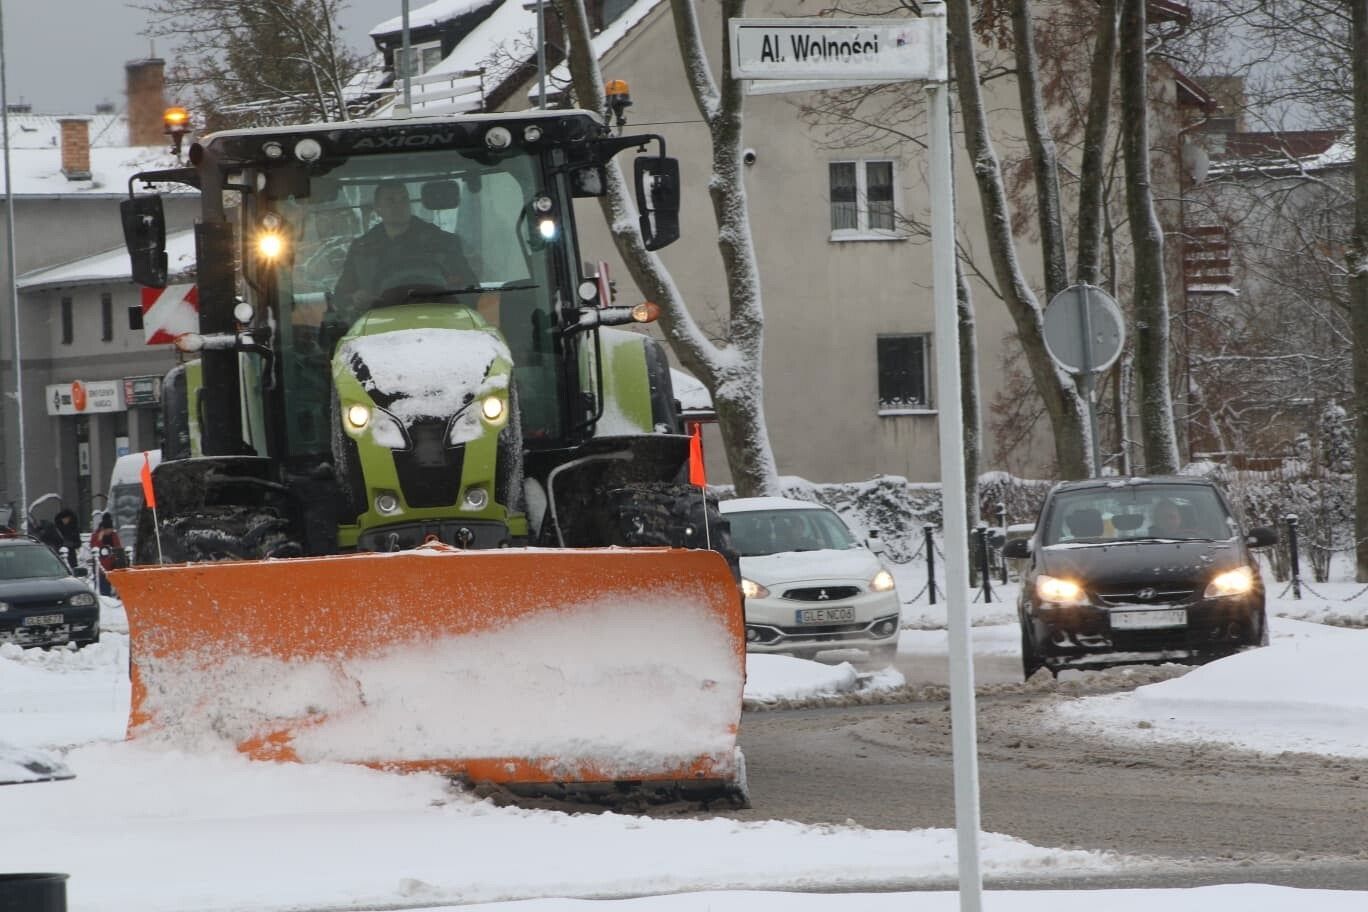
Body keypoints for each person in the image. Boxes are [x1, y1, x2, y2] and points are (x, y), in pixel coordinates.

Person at [331, 179, 474, 321]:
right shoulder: (362, 249)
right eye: (391, 200)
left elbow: (470, 288)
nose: (399, 205)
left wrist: (450, 293)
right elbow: (341, 296)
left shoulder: (441, 242)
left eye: (404, 199)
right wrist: (355, 298)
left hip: (439, 319)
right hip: (379, 323)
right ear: (378, 208)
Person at [89, 512, 123, 597]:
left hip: (113, 563)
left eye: (111, 529)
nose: (109, 531)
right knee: (104, 587)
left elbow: (118, 547)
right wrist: (99, 539)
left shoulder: (114, 535)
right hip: (101, 565)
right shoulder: (97, 535)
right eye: (108, 529)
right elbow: (94, 547)